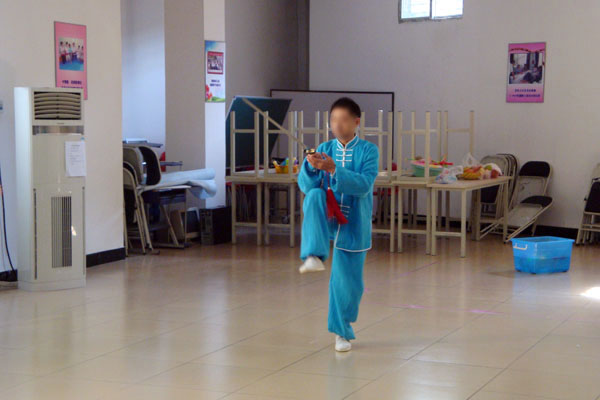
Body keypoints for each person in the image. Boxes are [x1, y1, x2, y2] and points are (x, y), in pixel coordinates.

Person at [298, 97, 379, 352]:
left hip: (353, 221)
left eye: (343, 120)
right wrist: (311, 168)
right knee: (313, 195)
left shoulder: (369, 151)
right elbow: (307, 186)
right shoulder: (324, 148)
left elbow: (364, 185)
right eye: (333, 120)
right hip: (327, 215)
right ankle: (313, 254)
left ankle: (341, 332)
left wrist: (334, 170)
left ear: (356, 122)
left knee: (347, 282)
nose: (337, 125)